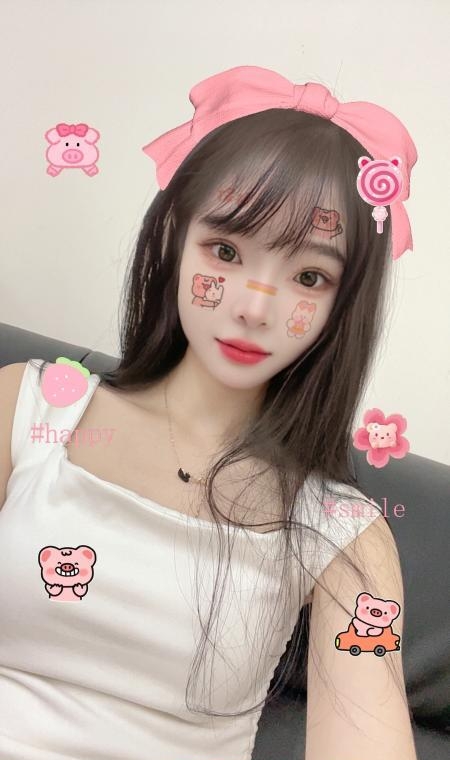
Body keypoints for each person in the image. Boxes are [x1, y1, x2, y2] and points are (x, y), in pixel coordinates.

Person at [0, 65, 419, 760]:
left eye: (309, 276)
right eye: (225, 251)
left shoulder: (347, 536)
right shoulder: (26, 407)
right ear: (173, 236)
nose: (254, 307)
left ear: (344, 303)